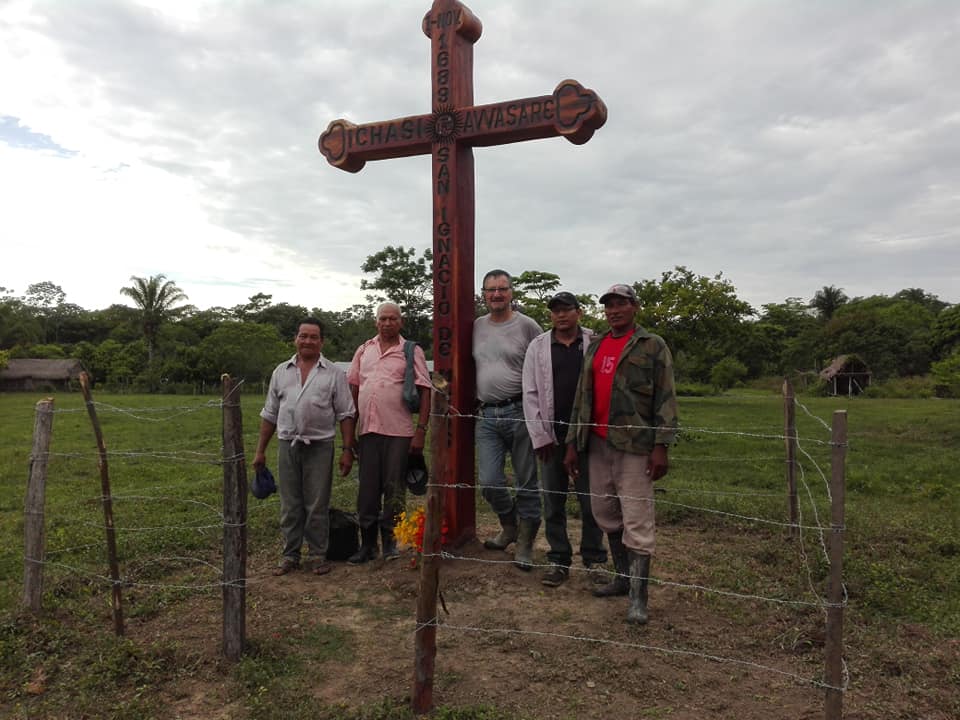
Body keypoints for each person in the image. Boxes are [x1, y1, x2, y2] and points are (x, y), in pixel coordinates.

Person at [563, 284, 679, 624]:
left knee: (637, 517)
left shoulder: (652, 345)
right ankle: (622, 578)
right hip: (597, 443)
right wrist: (572, 443)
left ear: (634, 307)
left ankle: (638, 599)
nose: (614, 310)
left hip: (635, 445)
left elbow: (666, 397)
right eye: (609, 305)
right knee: (604, 511)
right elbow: (581, 399)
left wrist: (661, 445)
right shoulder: (596, 345)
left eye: (621, 304)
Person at [254, 318, 357, 577]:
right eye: (303, 336)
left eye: (314, 337)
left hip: (320, 445)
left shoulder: (334, 373)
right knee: (290, 504)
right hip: (287, 443)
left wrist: (347, 449)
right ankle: (290, 555)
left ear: (321, 341)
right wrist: (260, 451)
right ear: (295, 339)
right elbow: (269, 414)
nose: (308, 341)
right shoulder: (281, 372)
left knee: (317, 503)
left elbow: (346, 414)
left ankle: (318, 554)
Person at [522, 291, 607, 587]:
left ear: (578, 312)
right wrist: (540, 436)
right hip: (551, 436)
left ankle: (595, 560)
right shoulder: (539, 346)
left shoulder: (594, 343)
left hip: (588, 436)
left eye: (567, 309)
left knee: (591, 502)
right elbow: (530, 393)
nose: (561, 315)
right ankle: (559, 560)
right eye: (556, 310)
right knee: (553, 503)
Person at [346, 302, 432, 564]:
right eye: (382, 318)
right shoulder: (364, 350)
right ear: (376, 322)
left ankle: (391, 544)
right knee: (367, 491)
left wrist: (420, 431)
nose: (387, 323)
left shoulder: (410, 351)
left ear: (401, 322)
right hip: (368, 431)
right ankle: (368, 545)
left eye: (393, 318)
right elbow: (354, 389)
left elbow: (425, 389)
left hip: (399, 431)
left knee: (394, 489)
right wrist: (350, 438)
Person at [474, 269, 543, 570]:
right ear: (483, 294)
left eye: (502, 288)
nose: (497, 294)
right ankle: (510, 526)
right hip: (486, 414)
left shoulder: (528, 326)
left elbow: (545, 365)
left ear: (512, 292)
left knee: (527, 482)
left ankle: (525, 545)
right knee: (489, 481)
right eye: (491, 290)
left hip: (520, 412)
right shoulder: (476, 326)